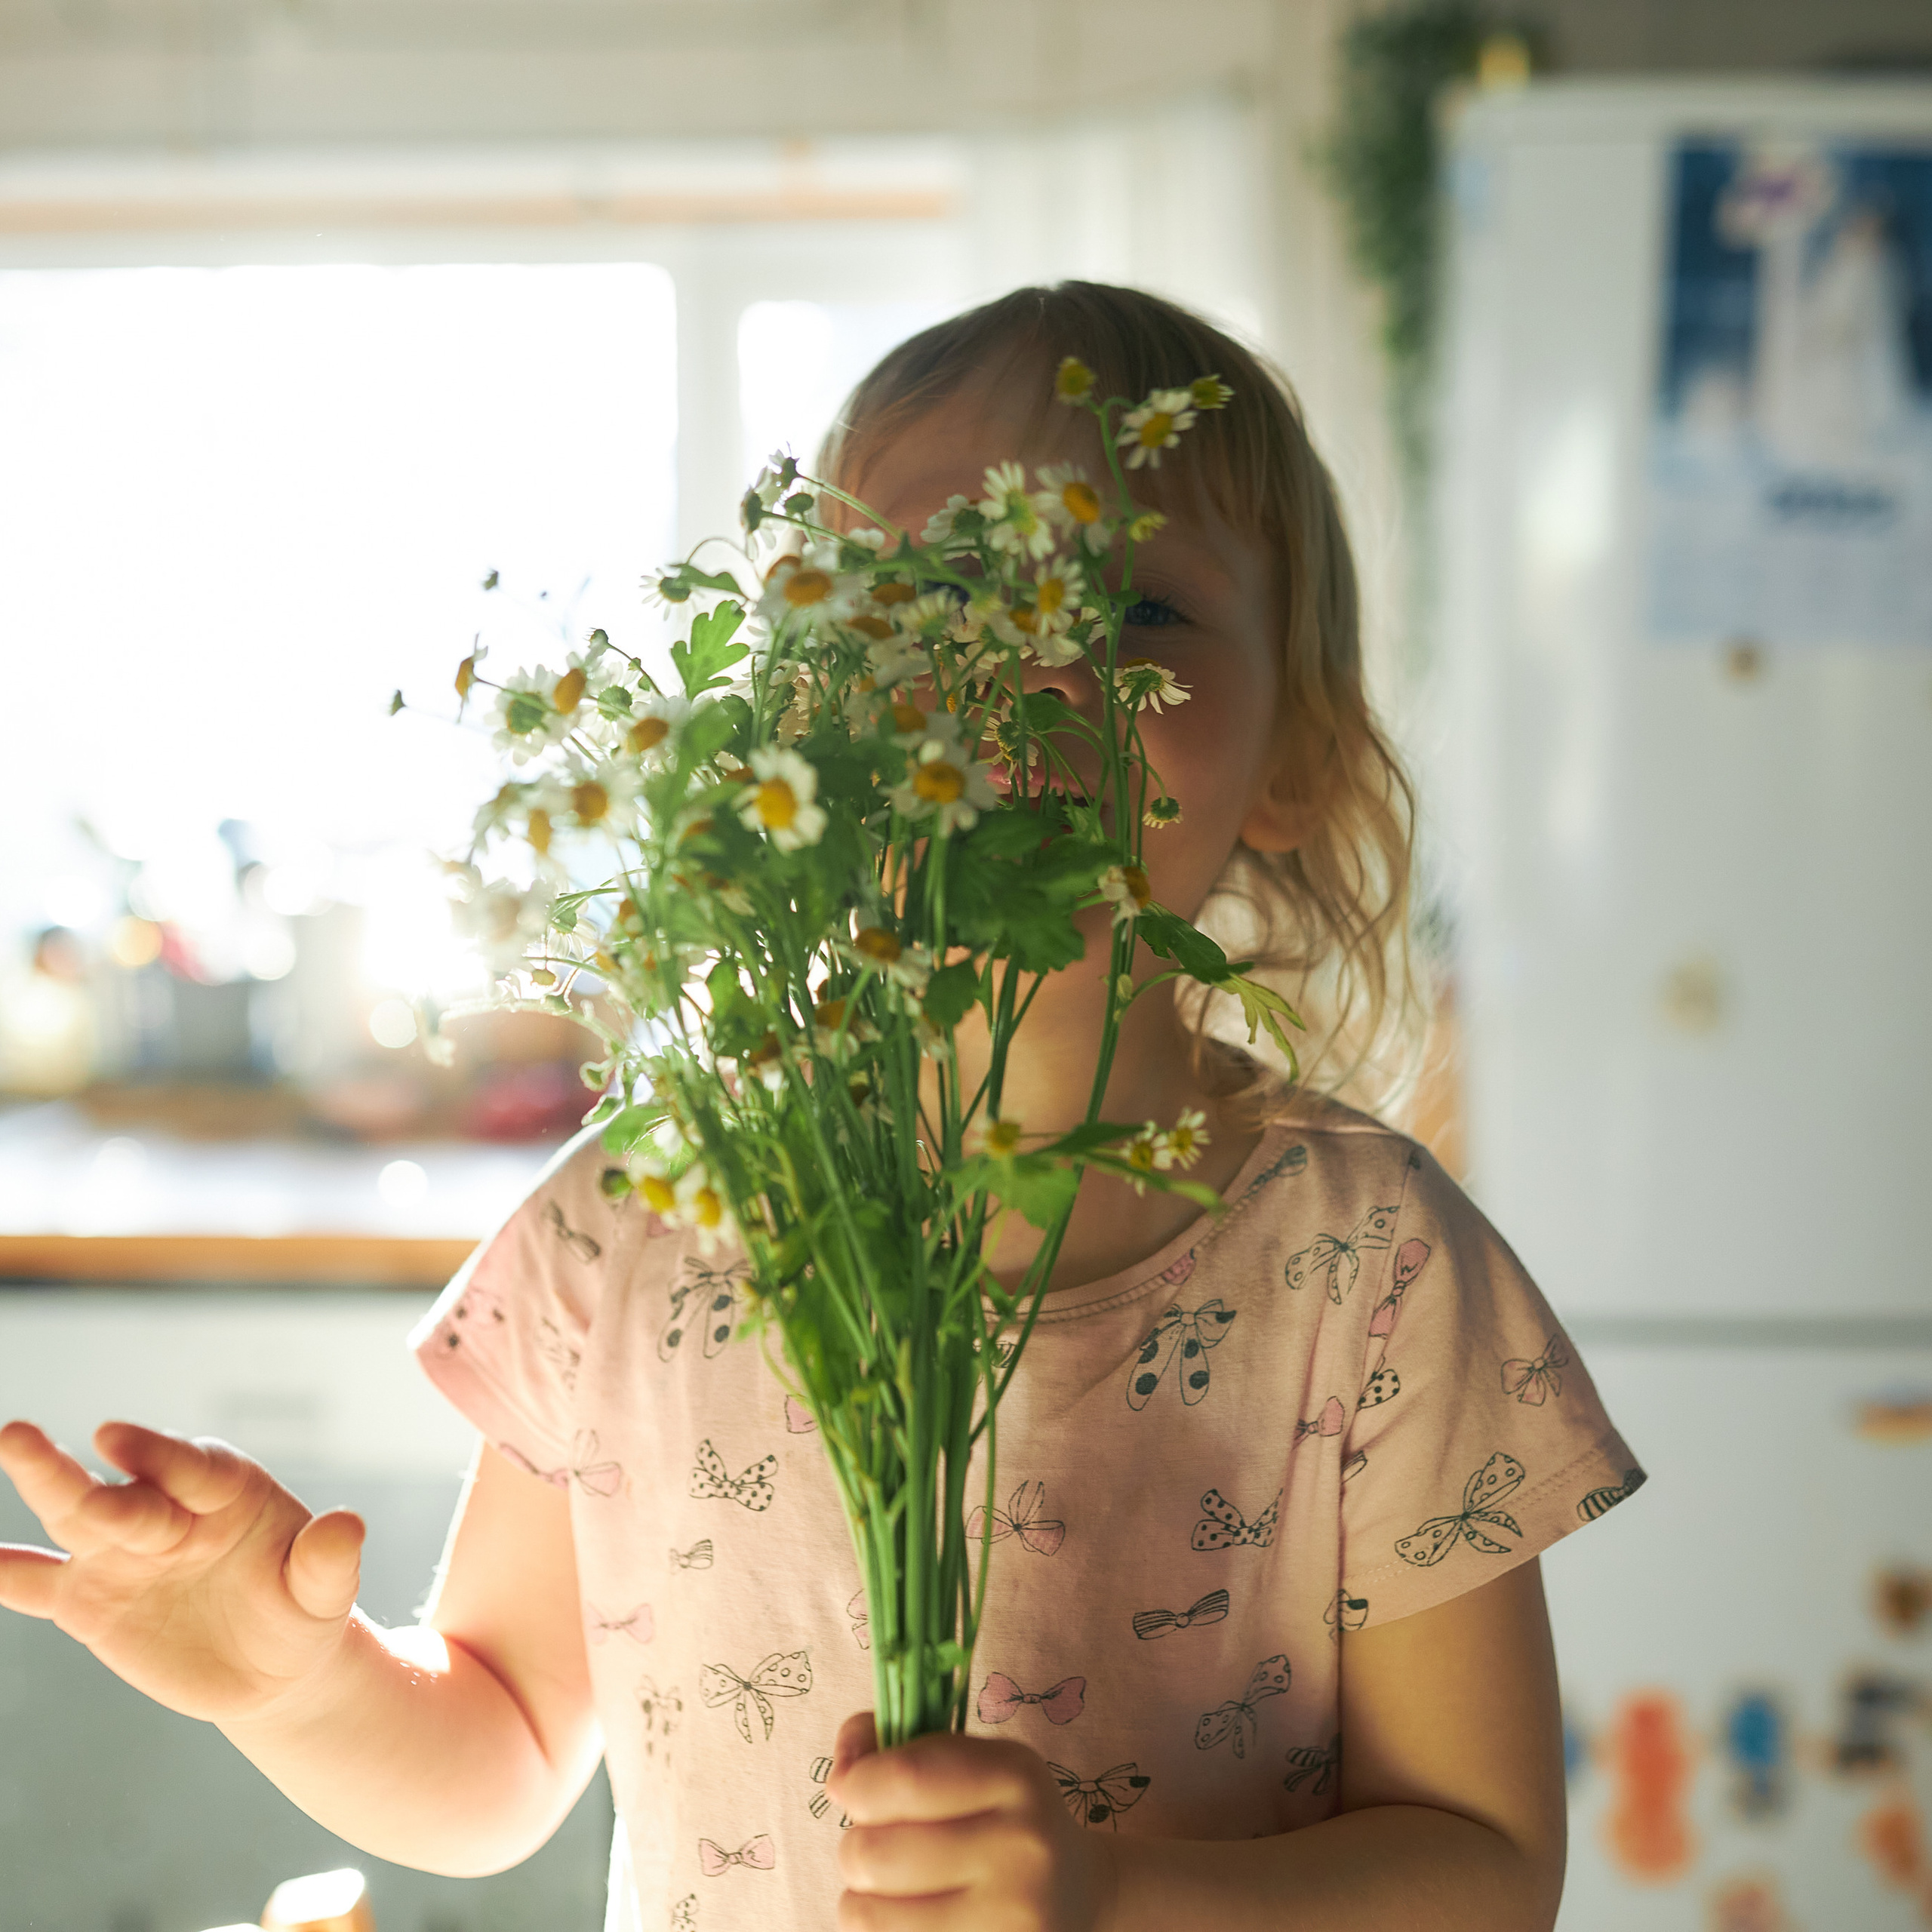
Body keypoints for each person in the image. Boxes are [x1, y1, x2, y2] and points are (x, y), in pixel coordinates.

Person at [0, 283, 1644, 1932]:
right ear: (798, 717)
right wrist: (293, 1679)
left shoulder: (1370, 1263)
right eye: (931, 595)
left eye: (1136, 604)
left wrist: (1112, 1891)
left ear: (1290, 753)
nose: (1026, 666)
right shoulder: (645, 1213)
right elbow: (493, 1749)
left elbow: (1483, 1865)